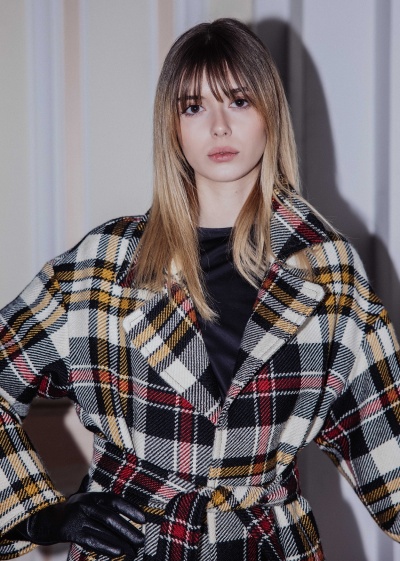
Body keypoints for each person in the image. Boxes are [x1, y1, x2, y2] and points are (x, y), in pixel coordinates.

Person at [1, 17, 400, 561]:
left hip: (269, 547)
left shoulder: (328, 271)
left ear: (269, 113)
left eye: (238, 101)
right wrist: (38, 512)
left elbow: (387, 449)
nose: (218, 126)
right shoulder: (105, 263)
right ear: (172, 126)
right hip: (138, 546)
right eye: (193, 107)